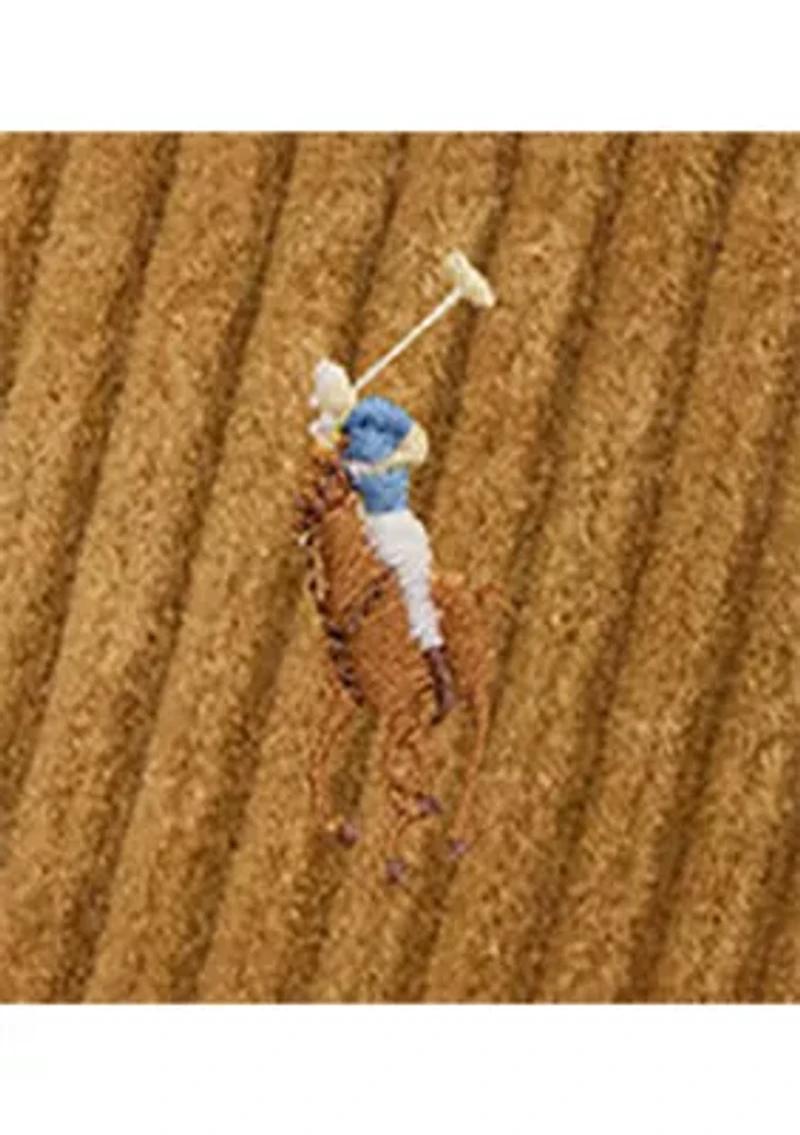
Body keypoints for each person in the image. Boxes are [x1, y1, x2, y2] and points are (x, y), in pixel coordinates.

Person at [308, 358, 457, 722]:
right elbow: (323, 463)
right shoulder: (336, 435)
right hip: (364, 523)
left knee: (413, 589)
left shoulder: (376, 414)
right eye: (327, 399)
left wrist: (393, 462)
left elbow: (420, 445)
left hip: (395, 520)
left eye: (335, 395)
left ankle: (441, 677)